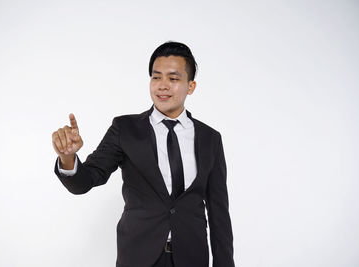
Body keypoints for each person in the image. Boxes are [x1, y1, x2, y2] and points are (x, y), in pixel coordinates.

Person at [52, 41, 235, 267]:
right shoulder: (125, 129)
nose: (162, 86)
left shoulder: (210, 139)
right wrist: (68, 158)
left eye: (173, 78)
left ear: (191, 86)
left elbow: (219, 213)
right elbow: (86, 180)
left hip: (192, 257)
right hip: (139, 257)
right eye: (156, 77)